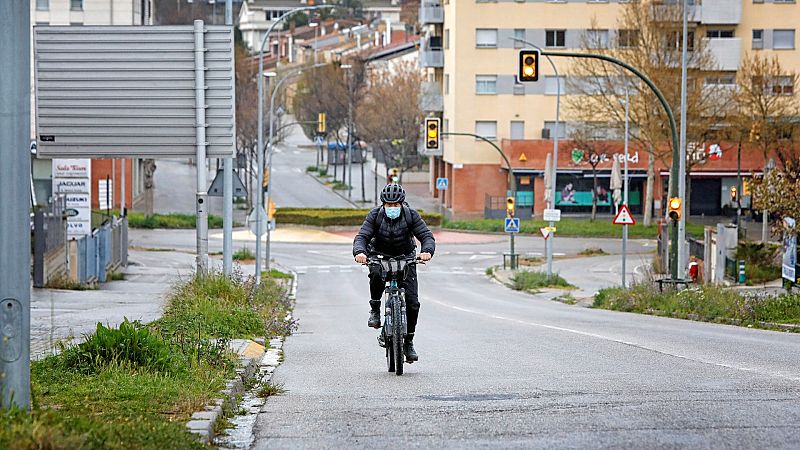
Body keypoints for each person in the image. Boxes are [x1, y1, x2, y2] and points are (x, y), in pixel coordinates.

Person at [353, 183, 435, 362]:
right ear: (383, 204)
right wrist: (360, 252)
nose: (392, 208)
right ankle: (375, 309)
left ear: (402, 204)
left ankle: (409, 342)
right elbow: (362, 237)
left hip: (406, 258)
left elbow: (426, 236)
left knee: (413, 303)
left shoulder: (411, 215)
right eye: (388, 205)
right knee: (375, 273)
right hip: (379, 256)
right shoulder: (375, 215)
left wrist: (427, 250)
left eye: (395, 205)